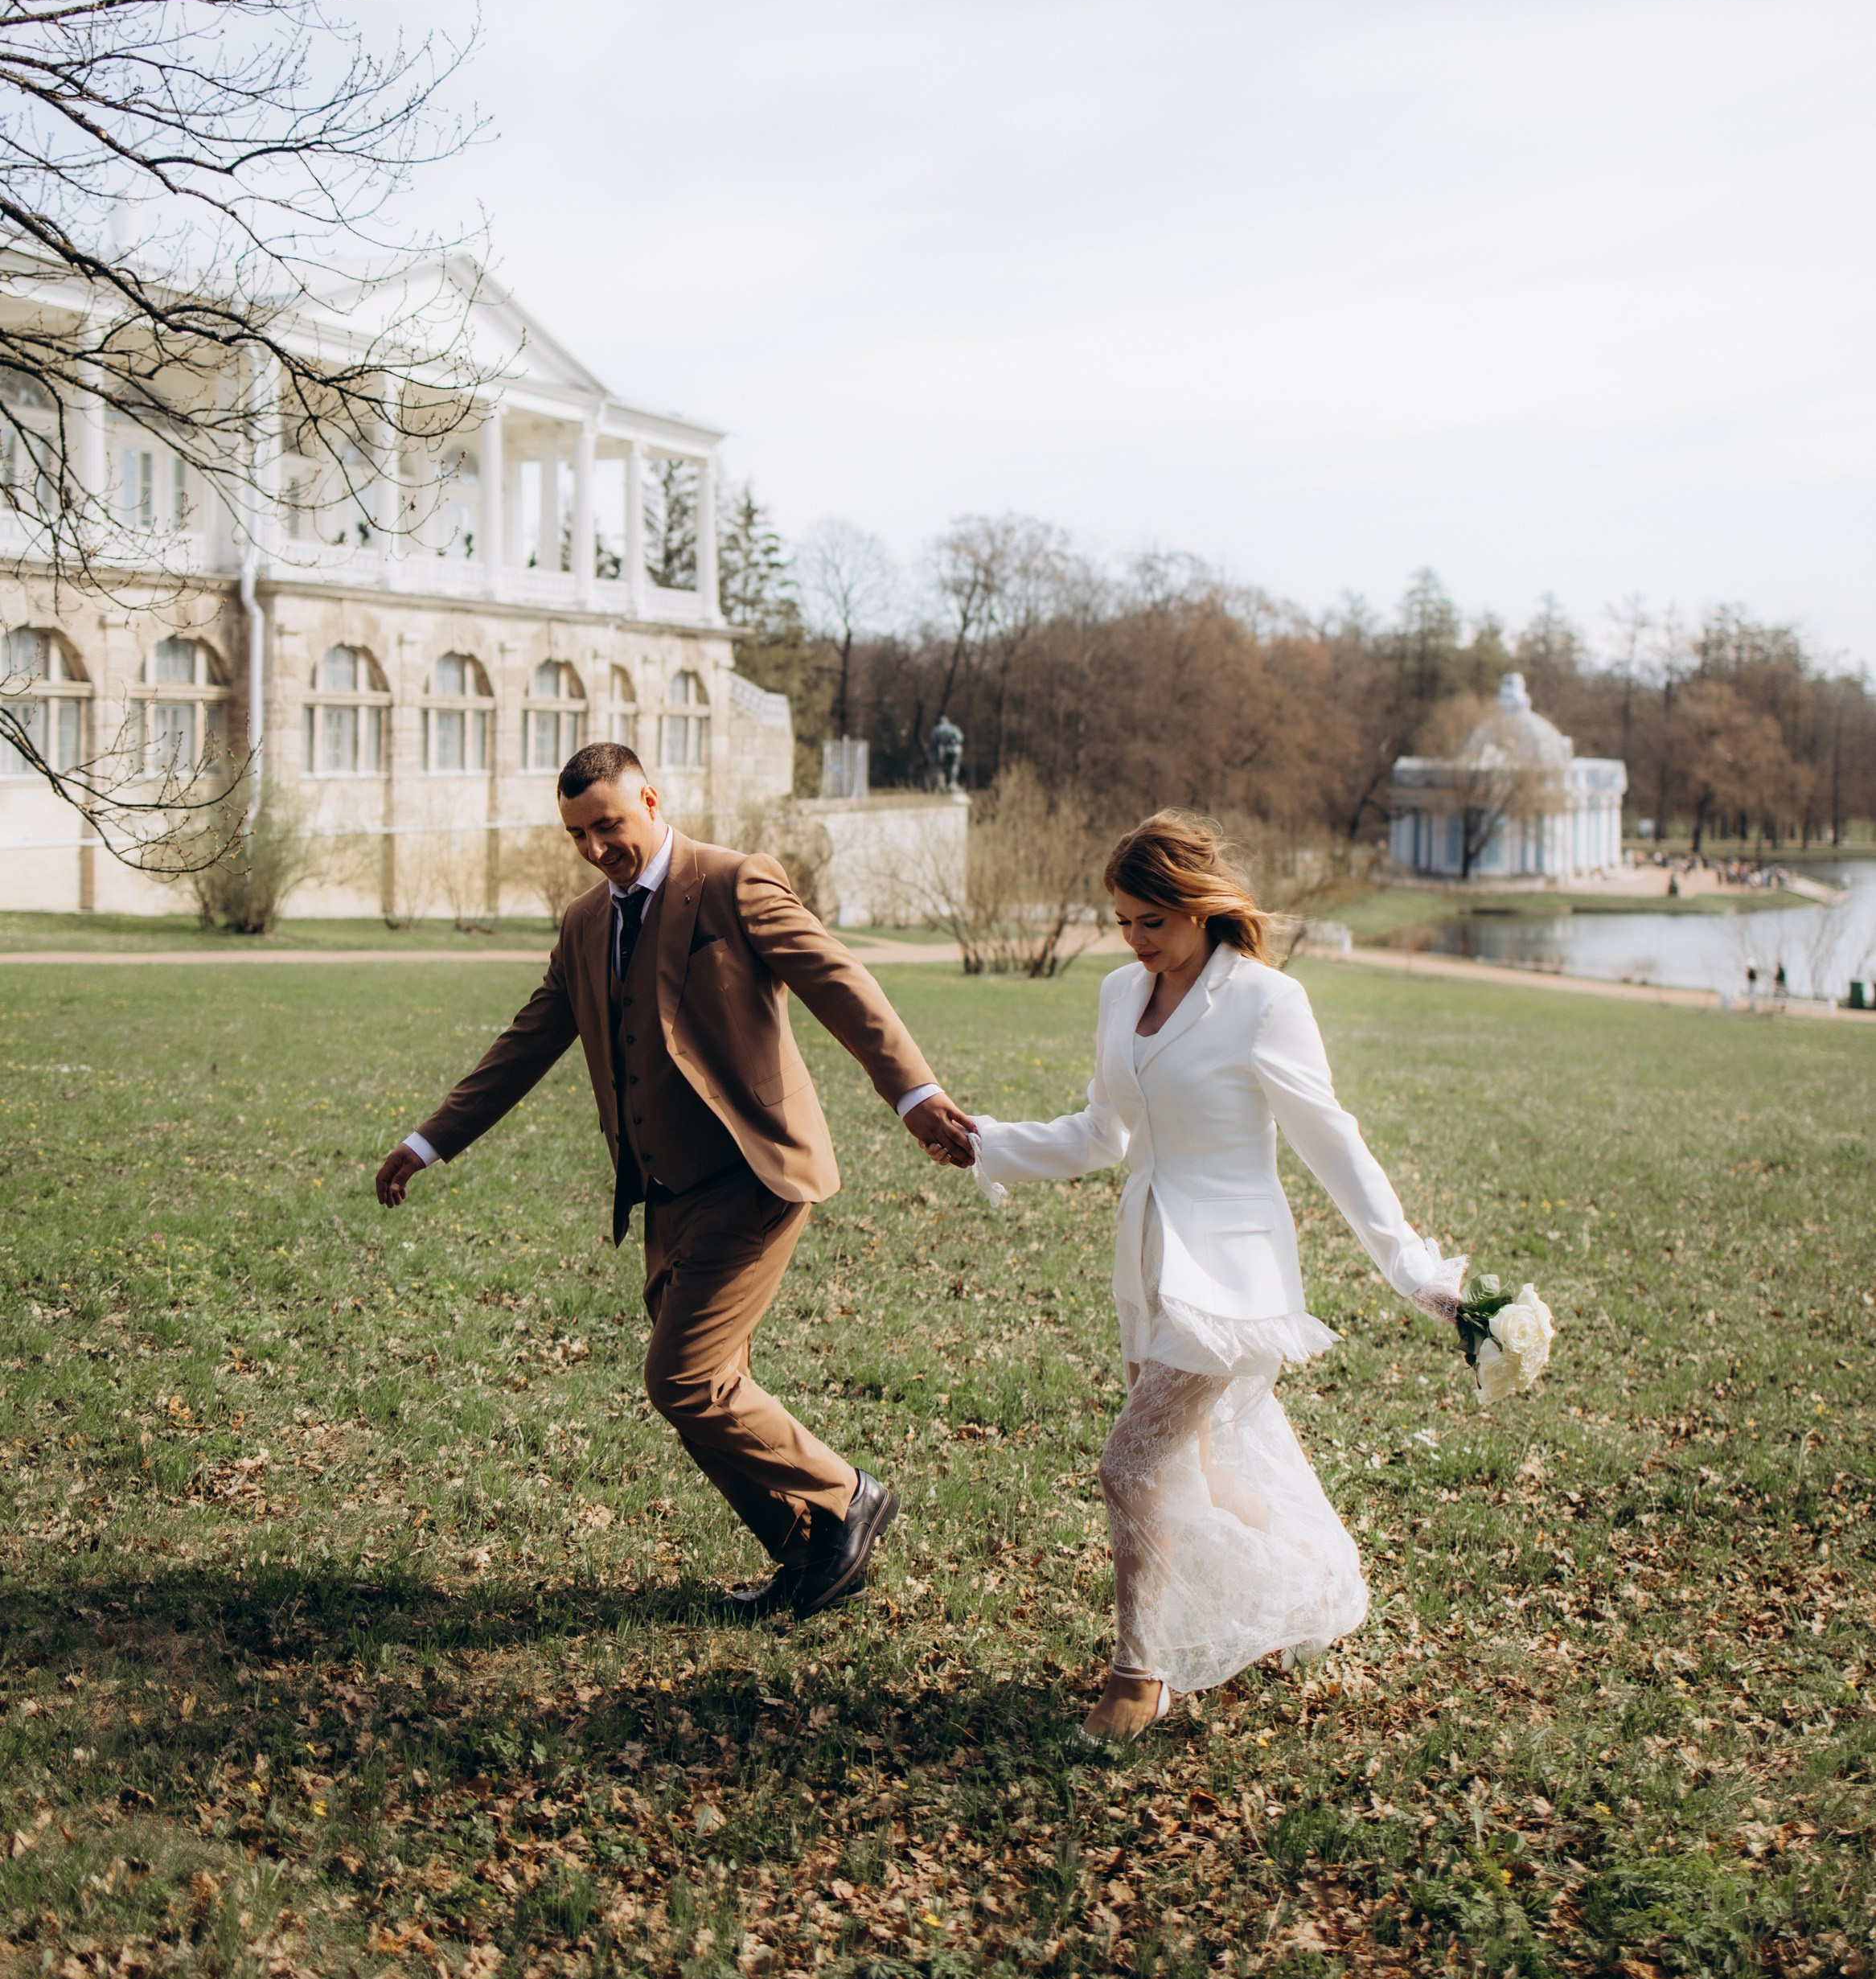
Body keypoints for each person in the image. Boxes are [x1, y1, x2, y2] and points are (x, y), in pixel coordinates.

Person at [375, 743, 975, 1620]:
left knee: (684, 1380)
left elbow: (838, 983)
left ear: (651, 801)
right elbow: (526, 1043)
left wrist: (913, 1095)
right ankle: (805, 1551)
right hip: (664, 1194)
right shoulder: (585, 923)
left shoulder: (733, 884)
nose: (595, 848)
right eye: (577, 834)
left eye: (608, 824)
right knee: (704, 1391)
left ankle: (848, 1496)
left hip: (756, 1173)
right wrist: (430, 1140)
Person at [967, 812, 1464, 1741]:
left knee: (1130, 1463)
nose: (1133, 938)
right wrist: (985, 1144)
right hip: (1148, 1262)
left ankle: (1139, 1673)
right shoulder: (1120, 992)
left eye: (1150, 920)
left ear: (1198, 906)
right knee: (1186, 1466)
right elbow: (1100, 1133)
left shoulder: (1265, 1001)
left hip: (1232, 1279)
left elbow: (1332, 1141)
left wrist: (1411, 1266)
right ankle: (1307, 1586)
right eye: (1122, 920)